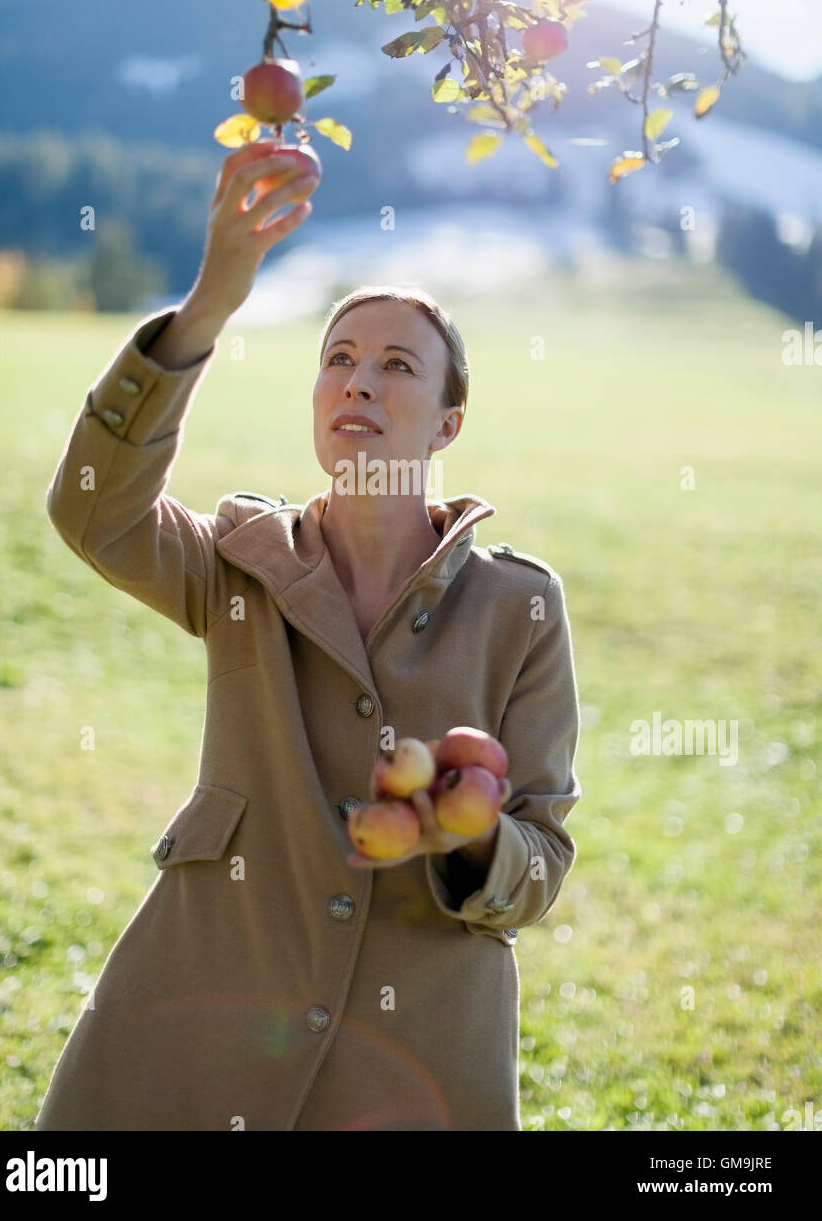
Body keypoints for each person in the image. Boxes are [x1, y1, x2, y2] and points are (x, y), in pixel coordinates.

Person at [34, 143, 582, 1132]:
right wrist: (205, 306)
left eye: (395, 365)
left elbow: (540, 857)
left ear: (447, 423)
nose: (357, 382)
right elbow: (91, 512)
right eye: (337, 359)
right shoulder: (241, 560)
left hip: (411, 1064)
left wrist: (473, 839)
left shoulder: (519, 609)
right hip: (198, 1028)